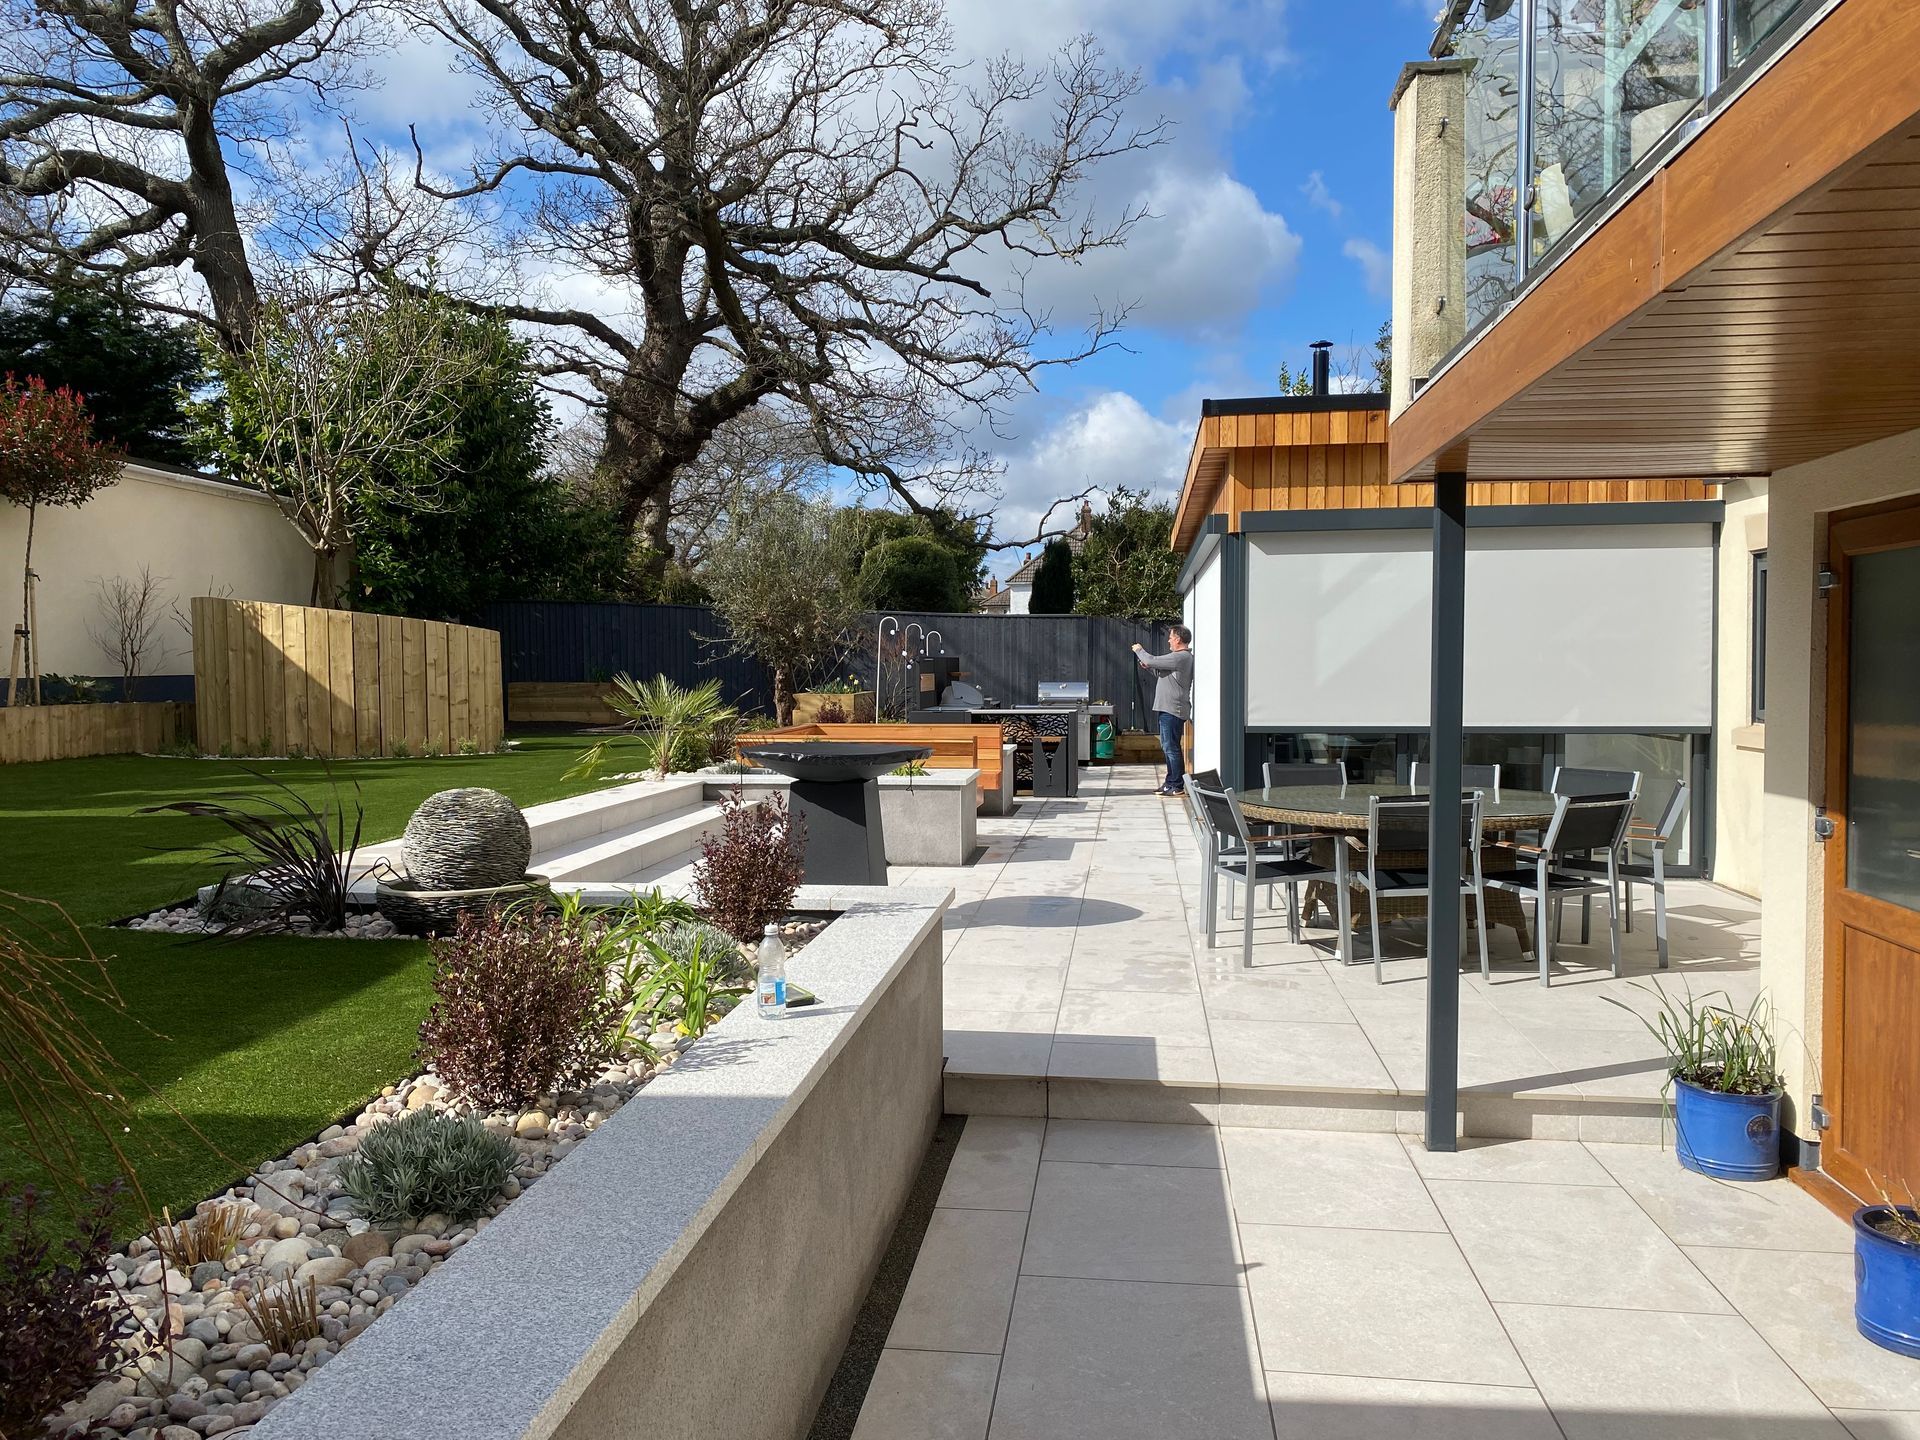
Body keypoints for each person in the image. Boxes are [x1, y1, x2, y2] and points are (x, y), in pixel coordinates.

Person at [1132, 627, 1193, 797]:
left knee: (1171, 747)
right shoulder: (1179, 659)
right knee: (1168, 746)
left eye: (1171, 637)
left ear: (1179, 639)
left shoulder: (1181, 657)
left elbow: (1151, 660)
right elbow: (1159, 670)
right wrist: (1148, 667)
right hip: (1169, 708)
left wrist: (1139, 650)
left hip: (1173, 708)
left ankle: (1177, 785)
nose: (1169, 640)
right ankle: (1170, 783)